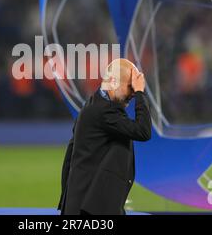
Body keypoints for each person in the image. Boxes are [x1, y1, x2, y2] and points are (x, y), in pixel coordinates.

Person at [58, 58, 152, 215]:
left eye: (135, 89)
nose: (133, 93)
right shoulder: (104, 111)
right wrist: (141, 93)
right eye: (130, 87)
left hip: (85, 203)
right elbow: (143, 131)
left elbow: (70, 153)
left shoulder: (94, 104)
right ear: (113, 81)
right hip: (89, 208)